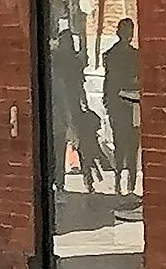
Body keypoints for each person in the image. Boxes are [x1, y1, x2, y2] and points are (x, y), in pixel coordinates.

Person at [51, 21, 100, 194]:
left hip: (65, 108)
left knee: (62, 146)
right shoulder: (69, 62)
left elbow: (78, 87)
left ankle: (64, 180)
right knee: (78, 145)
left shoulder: (59, 61)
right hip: (68, 107)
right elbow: (79, 88)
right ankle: (85, 179)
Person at [100, 18, 140, 197]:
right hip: (124, 105)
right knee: (126, 144)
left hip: (128, 105)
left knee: (127, 144)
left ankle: (126, 183)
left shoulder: (122, 55)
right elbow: (111, 82)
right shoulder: (114, 55)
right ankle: (122, 183)